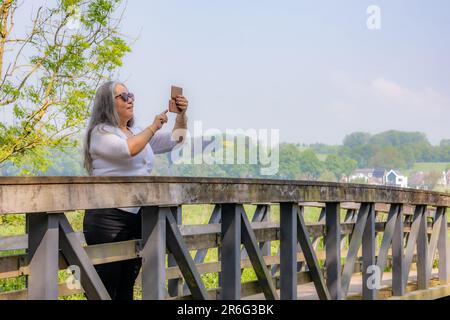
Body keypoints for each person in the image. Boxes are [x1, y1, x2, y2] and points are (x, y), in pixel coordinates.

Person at [82, 81, 188, 300]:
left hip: (136, 216)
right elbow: (128, 149)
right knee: (104, 288)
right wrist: (153, 127)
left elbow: (176, 140)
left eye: (131, 95)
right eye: (123, 96)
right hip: (107, 218)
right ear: (107, 104)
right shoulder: (100, 133)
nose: (130, 99)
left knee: (126, 285)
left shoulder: (136, 131)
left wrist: (181, 116)